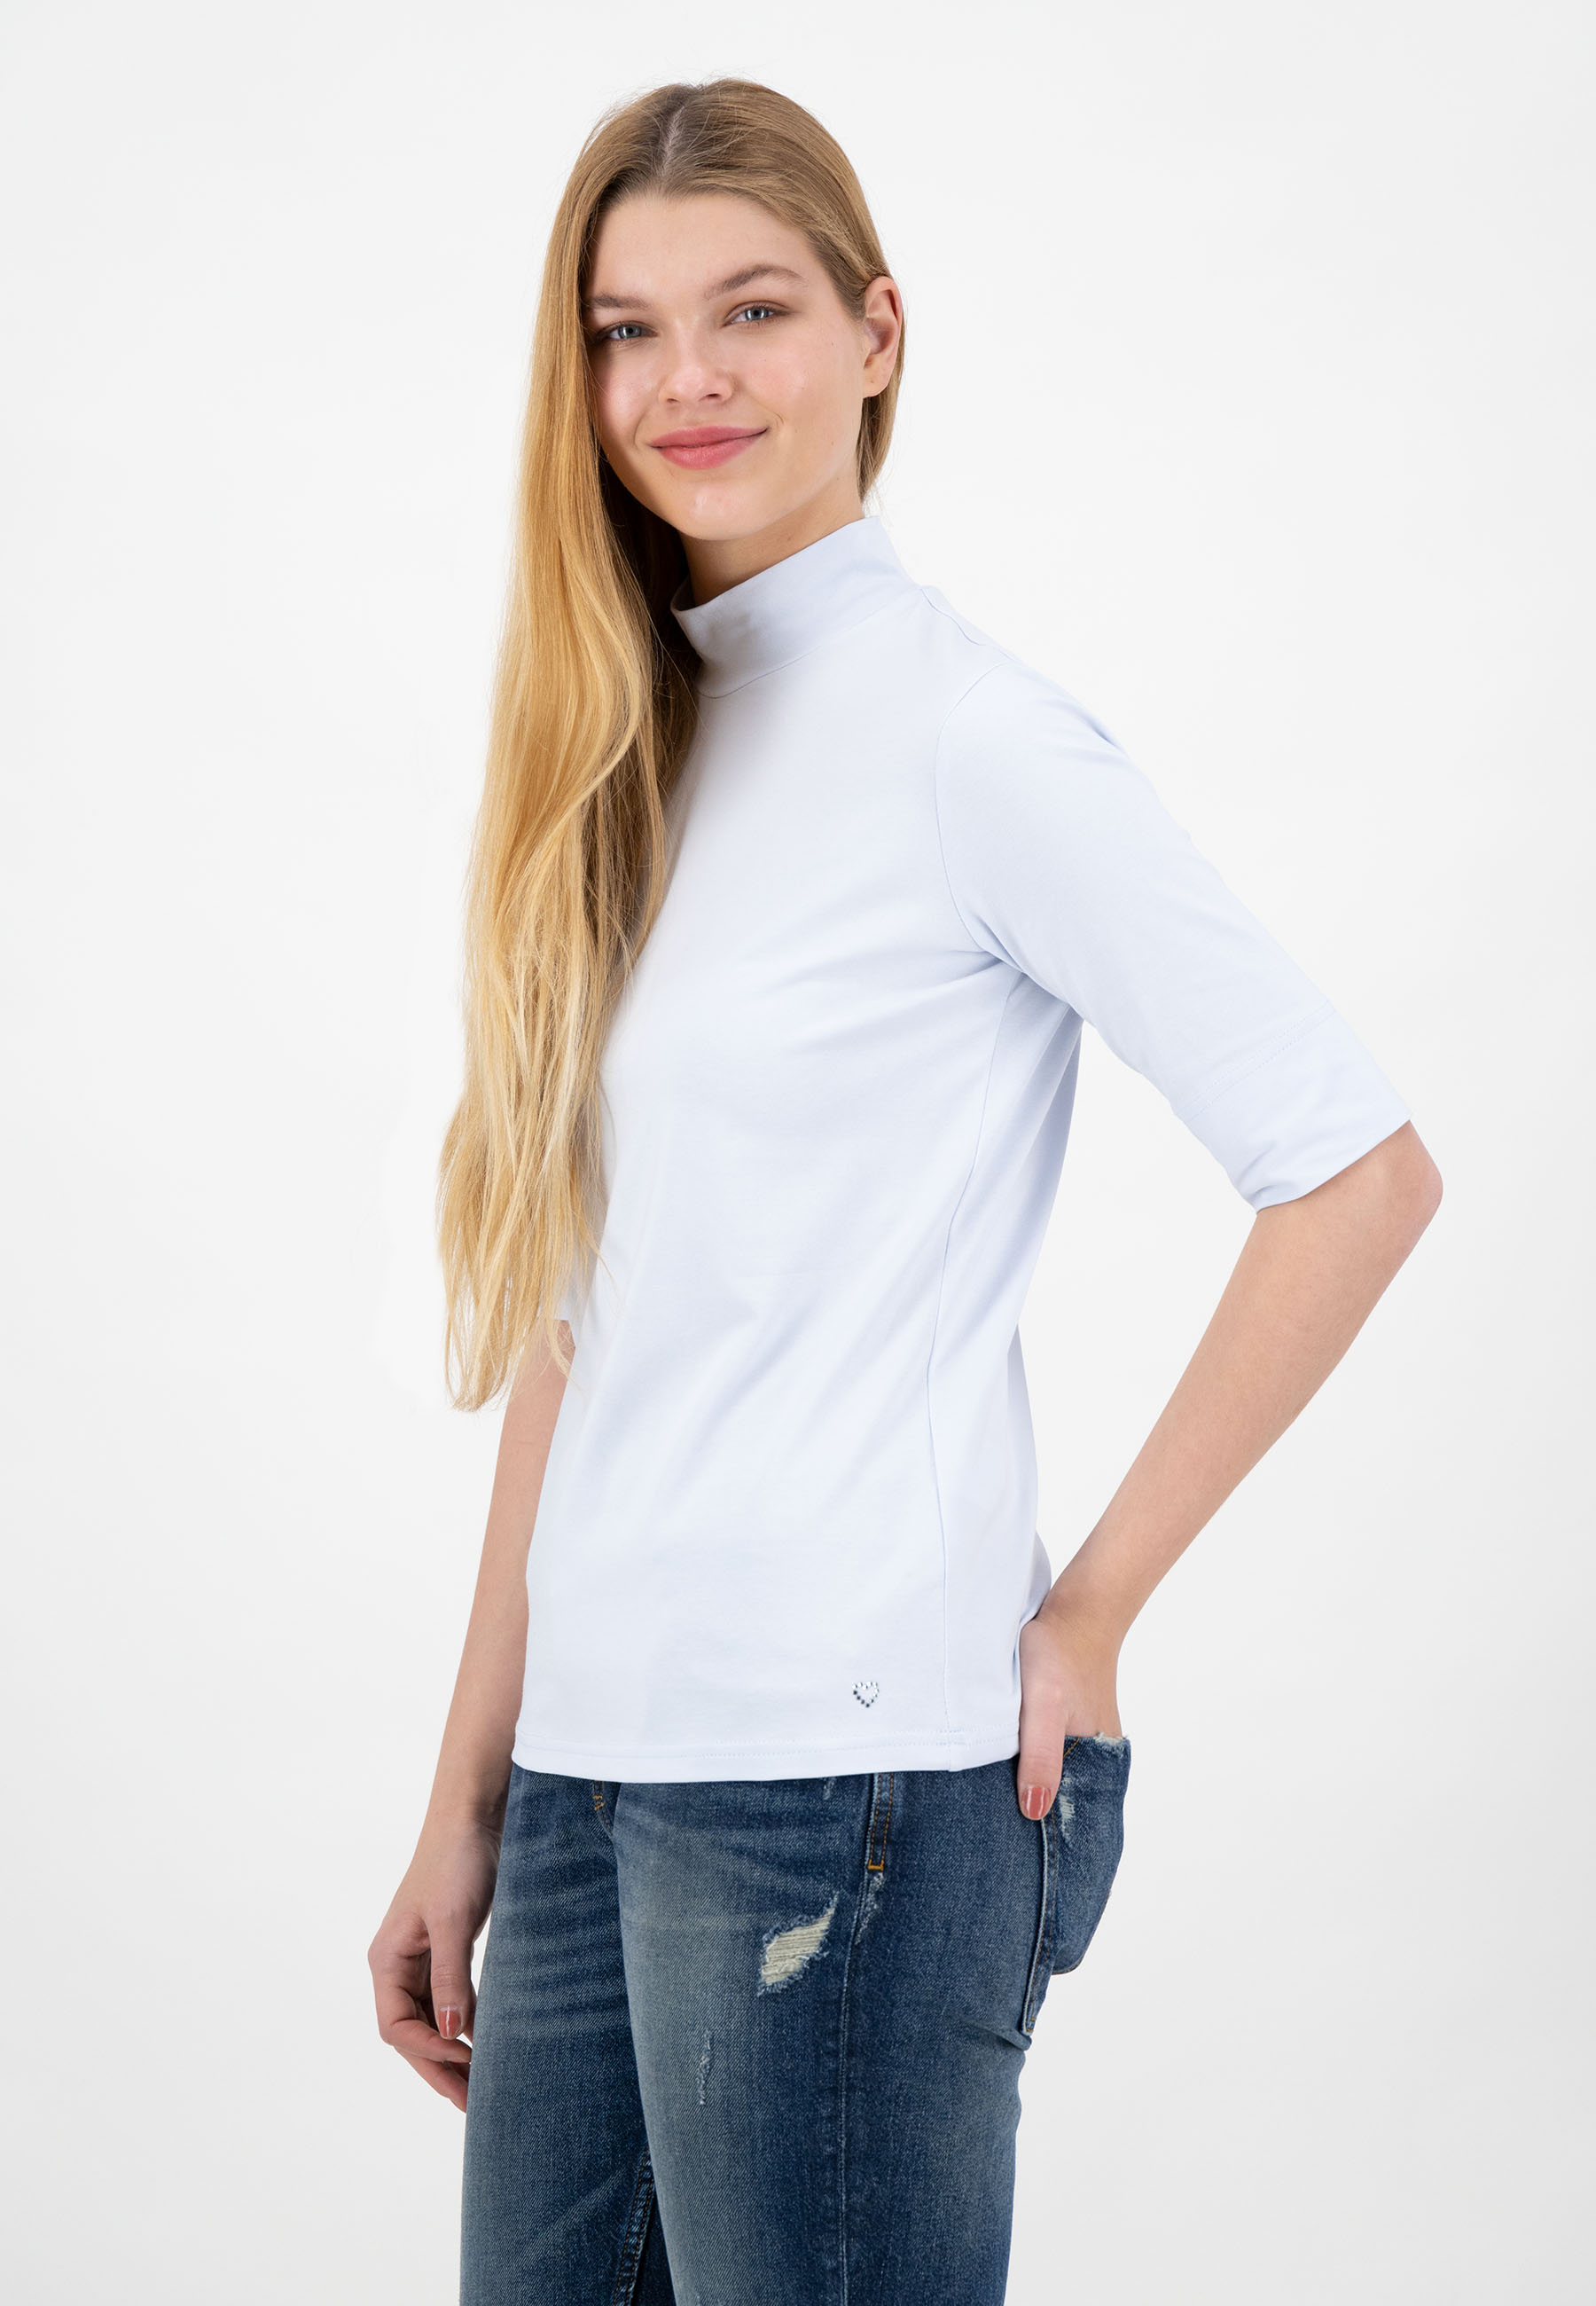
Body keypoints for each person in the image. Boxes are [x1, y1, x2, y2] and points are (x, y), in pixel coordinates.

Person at [367, 75, 1442, 2306]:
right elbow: (583, 1321)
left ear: (875, 333)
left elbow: (1354, 1172)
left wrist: (1090, 1612)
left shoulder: (969, 737)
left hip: (845, 1792)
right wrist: (470, 1793)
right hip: (585, 1787)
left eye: (750, 309)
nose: (686, 378)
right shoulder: (618, 753)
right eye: (626, 328)